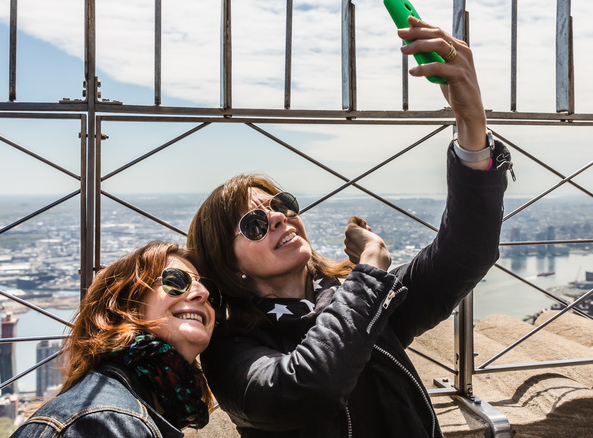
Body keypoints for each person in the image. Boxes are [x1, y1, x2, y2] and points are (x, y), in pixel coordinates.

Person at [186, 17, 512, 437]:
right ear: (228, 264)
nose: (280, 217)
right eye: (253, 223)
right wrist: (369, 275)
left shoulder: (357, 297)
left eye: (281, 204)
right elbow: (305, 391)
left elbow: (467, 251)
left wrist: (472, 126)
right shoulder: (230, 348)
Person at [10, 241, 220, 438]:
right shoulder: (107, 421)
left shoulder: (128, 410)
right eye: (175, 281)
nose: (202, 292)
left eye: (212, 295)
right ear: (124, 305)